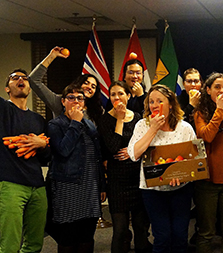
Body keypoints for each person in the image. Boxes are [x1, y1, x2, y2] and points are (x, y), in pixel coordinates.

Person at [127, 84, 197, 252]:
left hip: (181, 189)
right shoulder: (142, 125)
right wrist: (153, 128)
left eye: (160, 101)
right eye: (151, 101)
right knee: (162, 236)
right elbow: (133, 154)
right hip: (153, 191)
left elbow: (195, 159)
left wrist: (182, 174)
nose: (155, 105)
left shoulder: (184, 127)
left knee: (180, 236)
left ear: (170, 104)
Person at [46, 84, 107, 252]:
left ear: (84, 104)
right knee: (67, 237)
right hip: (67, 188)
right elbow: (63, 151)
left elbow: (97, 157)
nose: (75, 101)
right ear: (63, 102)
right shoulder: (55, 124)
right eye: (71, 98)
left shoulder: (90, 125)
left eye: (80, 98)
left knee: (87, 236)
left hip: (90, 188)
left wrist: (102, 185)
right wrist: (74, 123)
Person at [98, 81, 151, 253]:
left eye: (120, 93)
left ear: (128, 96)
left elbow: (145, 145)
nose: (116, 97)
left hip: (137, 176)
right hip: (117, 180)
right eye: (113, 94)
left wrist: (131, 151)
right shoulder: (105, 120)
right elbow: (113, 147)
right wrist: (119, 120)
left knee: (140, 228)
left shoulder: (137, 118)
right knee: (120, 230)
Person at [0, 69, 50, 252]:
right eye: (15, 78)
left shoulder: (38, 119)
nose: (21, 80)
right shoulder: (3, 109)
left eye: (25, 78)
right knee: (9, 244)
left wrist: (42, 145)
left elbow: (46, 158)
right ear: (7, 88)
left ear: (30, 89)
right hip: (10, 185)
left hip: (38, 186)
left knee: (35, 243)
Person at [193, 73, 223, 253]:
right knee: (206, 231)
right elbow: (207, 136)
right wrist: (219, 110)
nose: (222, 91)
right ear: (207, 90)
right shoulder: (200, 113)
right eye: (217, 87)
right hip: (207, 181)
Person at [29, 46, 104, 124]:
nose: (89, 87)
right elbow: (33, 80)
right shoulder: (59, 102)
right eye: (86, 83)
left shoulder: (97, 110)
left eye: (93, 87)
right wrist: (52, 56)